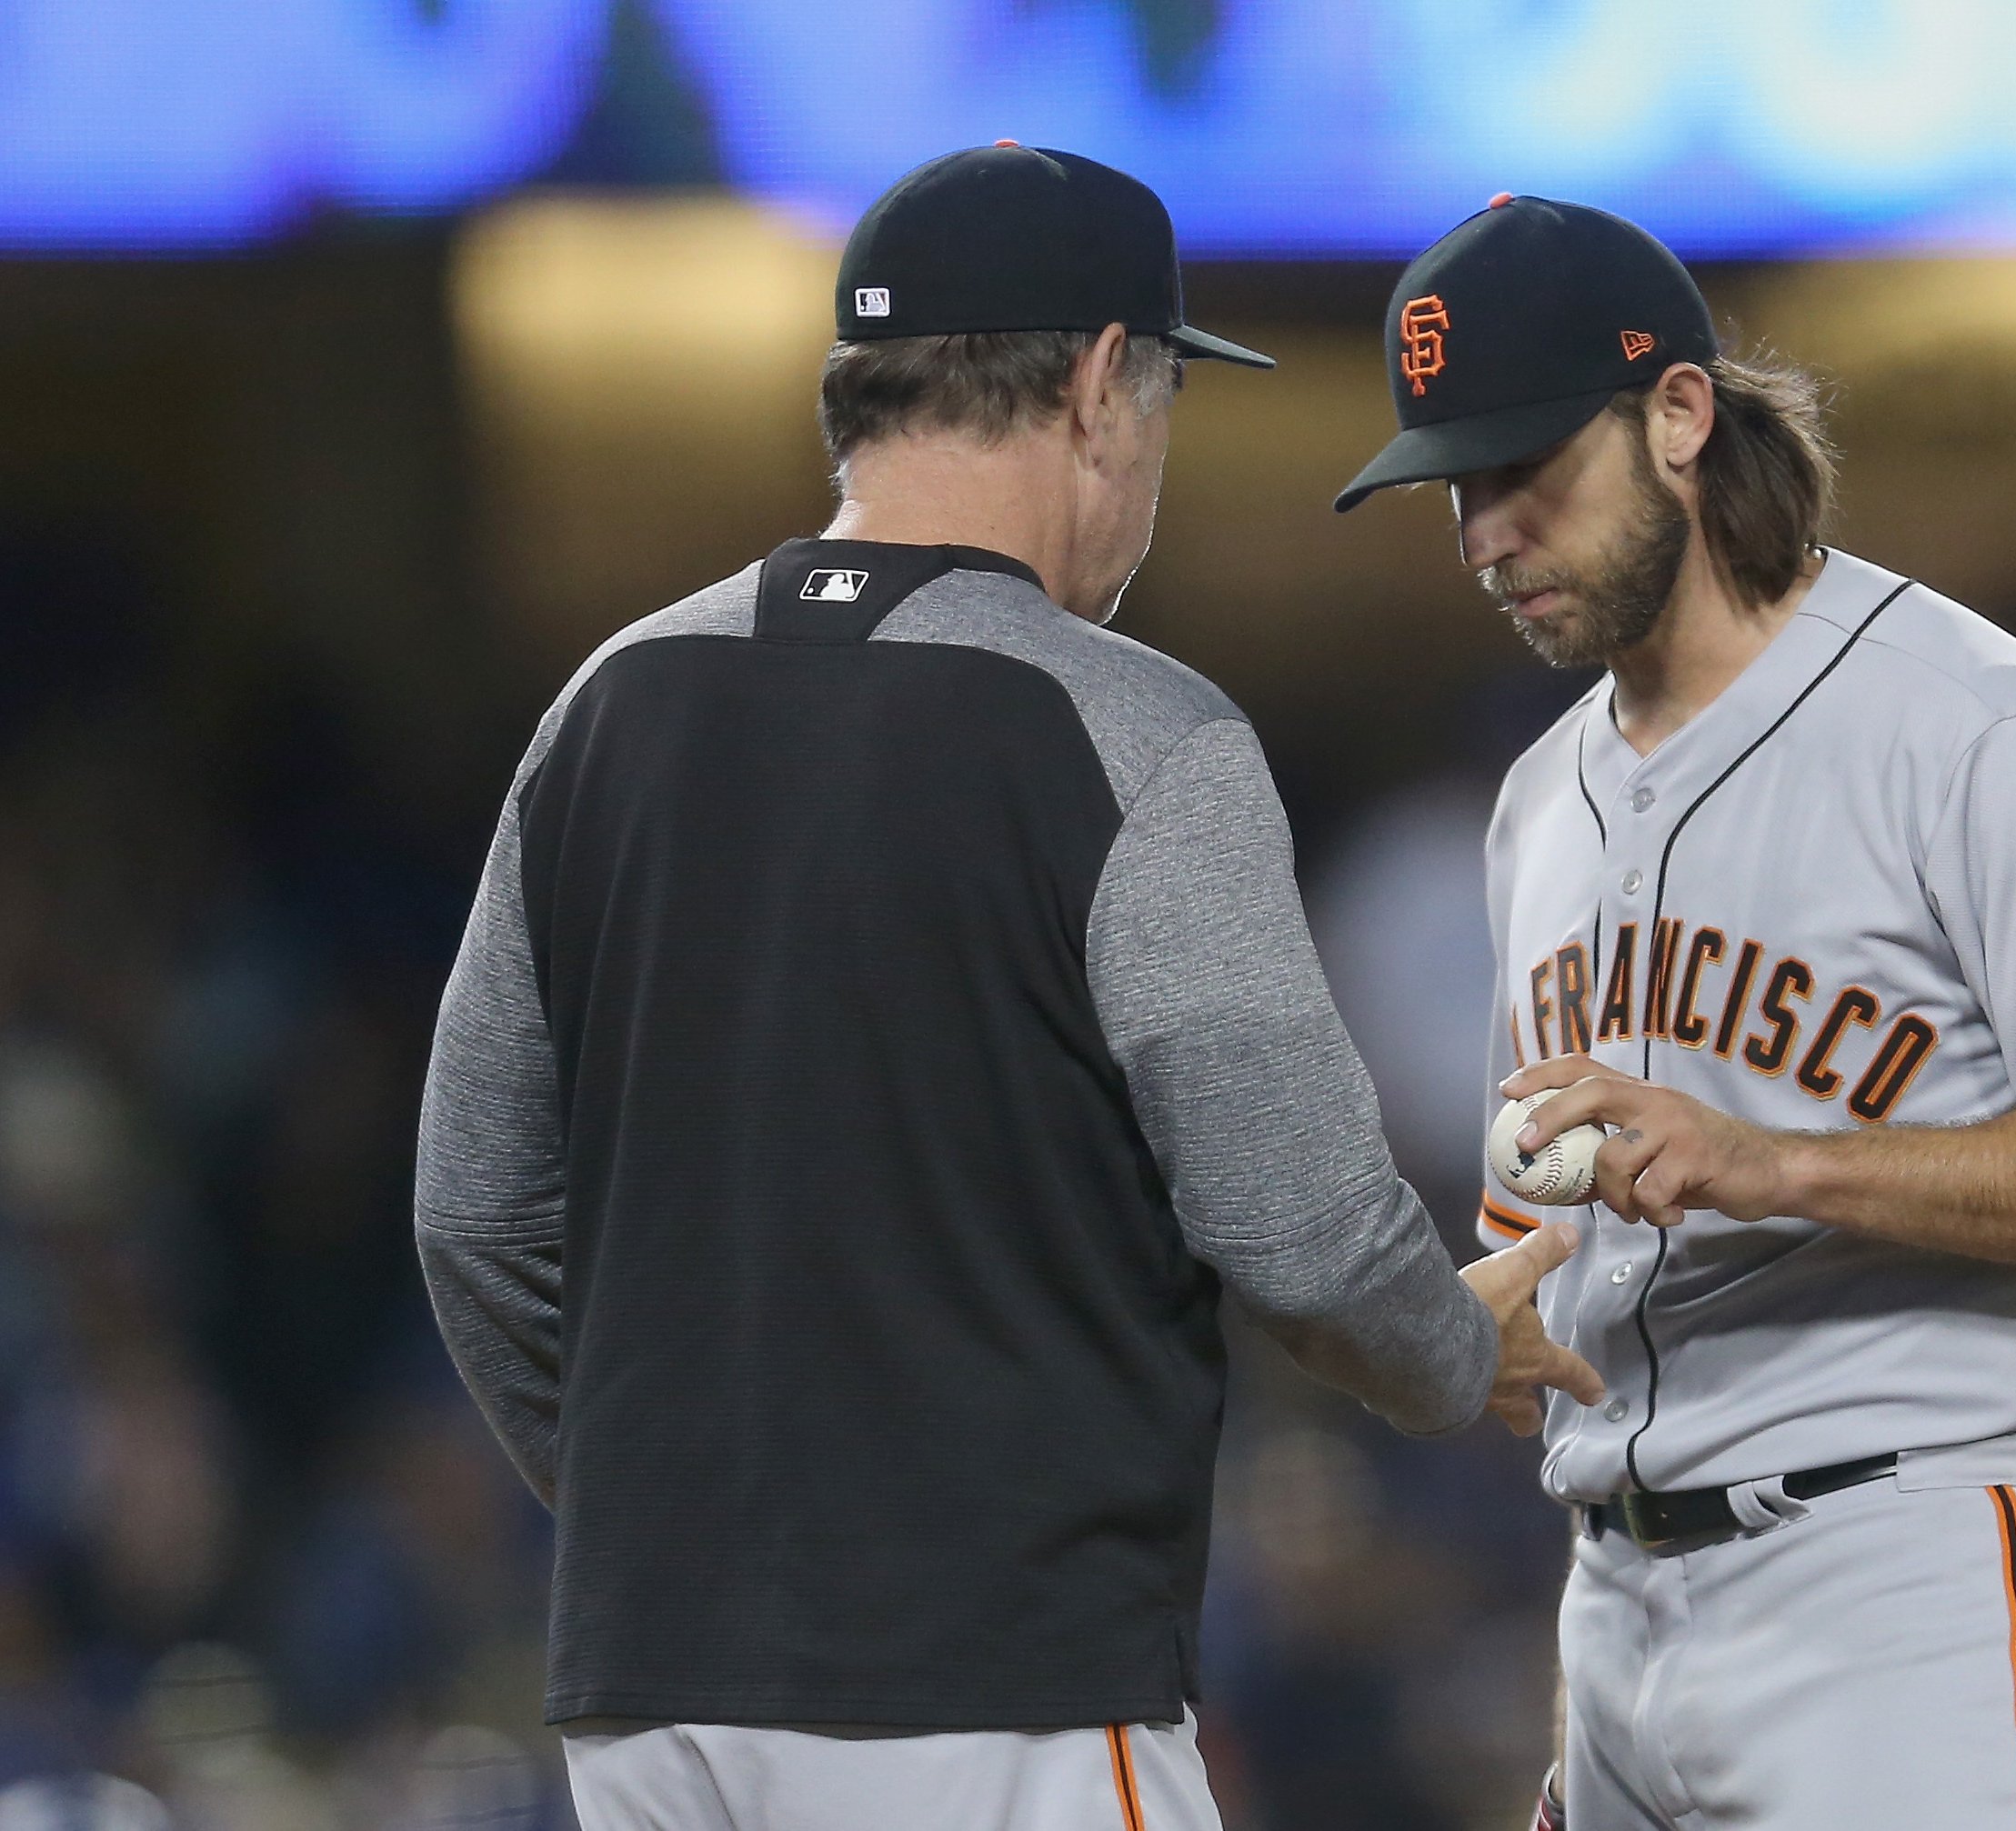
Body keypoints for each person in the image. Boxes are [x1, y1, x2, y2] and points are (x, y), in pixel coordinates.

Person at [414, 145, 1600, 1831]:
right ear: (1106, 382)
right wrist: (1441, 1346)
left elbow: (474, 1216)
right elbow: (1306, 1232)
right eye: (1168, 401)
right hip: (994, 1685)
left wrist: (663, 1514)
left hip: (651, 1698)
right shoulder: (1128, 727)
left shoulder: (606, 705)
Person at [1335, 195, 2016, 1831]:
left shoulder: (1984, 728)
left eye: (1524, 470)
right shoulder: (1534, 807)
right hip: (1621, 1609)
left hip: (1909, 1591)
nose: (1487, 530)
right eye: (1456, 487)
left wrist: (1779, 1163)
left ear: (1682, 414)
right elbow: (1591, 1310)